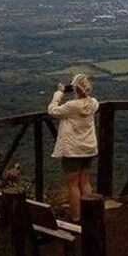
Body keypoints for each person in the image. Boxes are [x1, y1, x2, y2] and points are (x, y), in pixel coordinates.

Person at [48, 73, 99, 222]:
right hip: (88, 148)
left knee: (73, 186)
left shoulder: (70, 106)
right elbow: (85, 101)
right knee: (85, 182)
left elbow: (52, 111)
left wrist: (59, 93)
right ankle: (90, 215)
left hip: (72, 151)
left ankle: (77, 217)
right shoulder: (94, 103)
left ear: (75, 88)